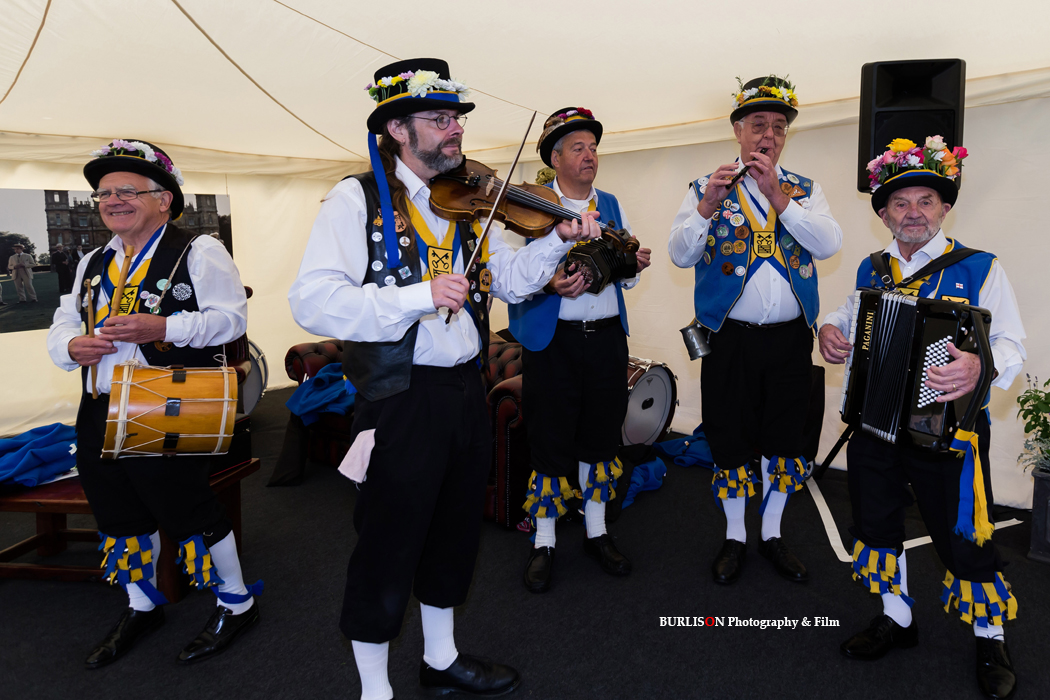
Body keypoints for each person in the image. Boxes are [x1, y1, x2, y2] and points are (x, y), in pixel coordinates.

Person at [289, 58, 599, 700]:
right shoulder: (356, 198)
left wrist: (558, 239)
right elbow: (312, 301)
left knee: (455, 531)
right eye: (439, 118)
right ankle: (375, 687)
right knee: (388, 541)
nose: (454, 129)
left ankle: (441, 659)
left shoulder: (469, 201)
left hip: (464, 387)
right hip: (399, 399)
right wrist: (414, 296)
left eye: (456, 116)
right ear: (398, 128)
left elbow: (511, 282)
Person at [818, 136, 1024, 700]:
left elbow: (1012, 344)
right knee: (877, 523)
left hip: (948, 433)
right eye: (901, 203)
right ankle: (897, 617)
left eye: (925, 202)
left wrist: (979, 367)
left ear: (944, 208)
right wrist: (830, 329)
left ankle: (990, 635)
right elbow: (852, 311)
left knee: (963, 538)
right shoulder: (872, 265)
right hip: (875, 426)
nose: (913, 213)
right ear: (883, 213)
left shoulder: (979, 267)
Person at [46, 139, 260, 668]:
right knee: (117, 512)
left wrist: (165, 326)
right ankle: (142, 605)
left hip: (167, 402)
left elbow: (231, 319)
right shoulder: (93, 260)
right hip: (98, 405)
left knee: (187, 510)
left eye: (127, 191)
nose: (112, 200)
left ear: (164, 199)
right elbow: (64, 321)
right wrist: (70, 347)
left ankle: (237, 603)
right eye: (103, 193)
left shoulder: (201, 250)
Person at [668, 76, 842, 585]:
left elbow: (829, 244)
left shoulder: (806, 191)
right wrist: (707, 207)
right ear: (739, 131)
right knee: (730, 436)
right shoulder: (705, 187)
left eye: (779, 127)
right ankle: (735, 536)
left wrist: (778, 198)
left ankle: (772, 532)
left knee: (784, 438)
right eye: (759, 124)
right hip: (729, 339)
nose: (769, 135)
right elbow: (680, 254)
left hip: (789, 339)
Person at [500, 107, 651, 593]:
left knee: (600, 436)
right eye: (578, 148)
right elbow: (512, 279)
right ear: (555, 157)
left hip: (606, 337)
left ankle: (597, 531)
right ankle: (543, 540)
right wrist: (550, 284)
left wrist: (633, 262)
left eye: (592, 147)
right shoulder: (528, 207)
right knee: (549, 438)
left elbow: (618, 266)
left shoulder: (610, 202)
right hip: (553, 343)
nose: (590, 156)